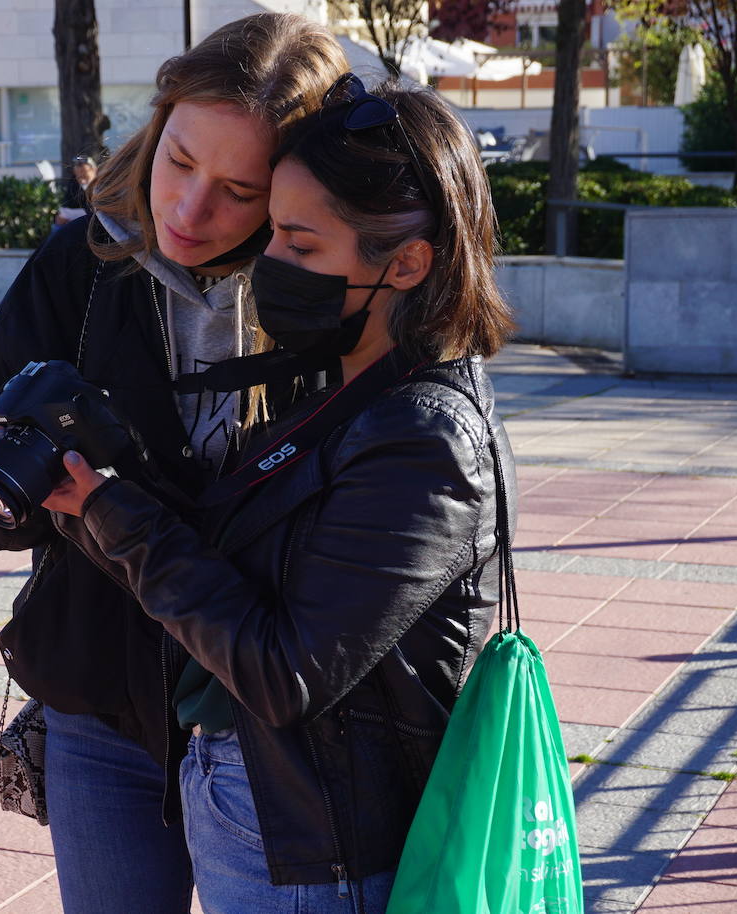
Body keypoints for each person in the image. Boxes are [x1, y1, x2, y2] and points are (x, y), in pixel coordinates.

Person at [27, 75, 518, 912]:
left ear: (405, 262)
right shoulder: (346, 386)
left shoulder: (422, 437)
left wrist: (109, 512)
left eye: (299, 243)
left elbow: (283, 671)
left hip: (313, 844)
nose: (270, 263)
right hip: (269, 807)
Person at [0, 14, 347, 912]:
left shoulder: (330, 292)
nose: (187, 210)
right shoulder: (81, 263)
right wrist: (8, 481)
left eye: (238, 189)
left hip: (267, 720)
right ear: (157, 123)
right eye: (178, 161)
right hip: (101, 700)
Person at [52, 154, 97, 228]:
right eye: (78, 174)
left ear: (94, 169)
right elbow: (67, 204)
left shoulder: (101, 185)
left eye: (84, 172)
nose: (81, 176)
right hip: (71, 222)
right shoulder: (73, 184)